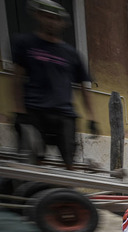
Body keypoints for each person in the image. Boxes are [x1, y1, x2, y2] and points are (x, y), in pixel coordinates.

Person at [11, 0, 96, 169]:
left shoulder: (72, 54)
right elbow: (17, 79)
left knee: (69, 163)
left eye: (55, 19)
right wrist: (19, 111)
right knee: (33, 163)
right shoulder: (25, 43)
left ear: (62, 23)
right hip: (35, 110)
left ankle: (67, 193)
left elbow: (83, 88)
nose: (51, 22)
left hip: (64, 114)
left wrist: (92, 117)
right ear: (38, 16)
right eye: (47, 17)